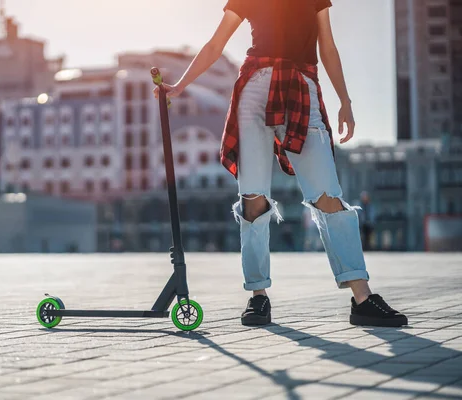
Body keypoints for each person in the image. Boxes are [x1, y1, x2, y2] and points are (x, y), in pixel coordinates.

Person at [154, 0, 407, 327]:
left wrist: (345, 100)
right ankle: (258, 297)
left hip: (301, 86)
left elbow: (327, 46)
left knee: (328, 195)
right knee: (253, 200)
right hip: (254, 89)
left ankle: (362, 297)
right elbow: (216, 44)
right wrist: (181, 85)